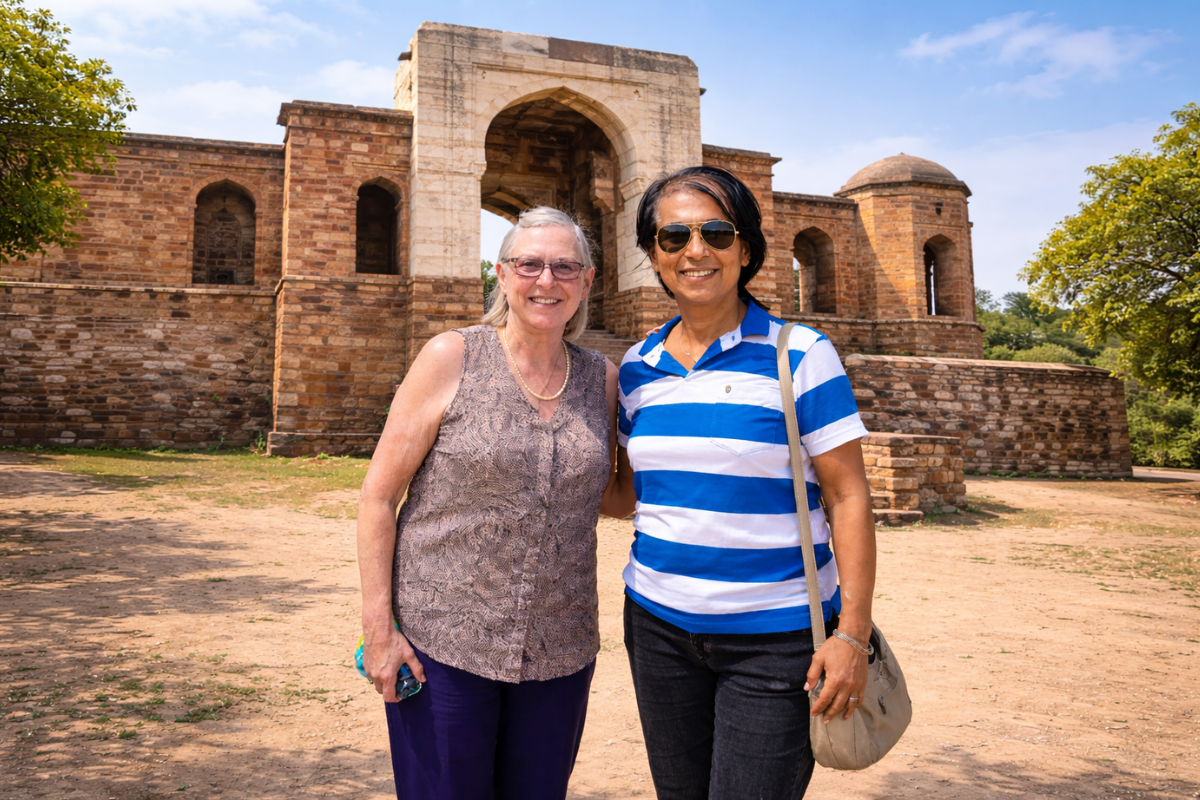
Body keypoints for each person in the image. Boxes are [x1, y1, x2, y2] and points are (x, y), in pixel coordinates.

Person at [606, 166, 878, 800]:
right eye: (673, 236)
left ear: (747, 248)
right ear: (653, 254)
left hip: (777, 640)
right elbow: (625, 494)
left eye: (716, 233)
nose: (695, 250)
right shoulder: (637, 368)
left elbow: (848, 496)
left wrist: (852, 634)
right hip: (658, 628)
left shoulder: (798, 354)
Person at [356, 206, 623, 800]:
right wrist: (380, 630)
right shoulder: (453, 357)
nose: (546, 281)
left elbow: (608, 495)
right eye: (529, 264)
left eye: (564, 267)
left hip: (560, 647)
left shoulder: (601, 380)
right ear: (502, 274)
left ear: (587, 280)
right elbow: (378, 495)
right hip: (443, 643)